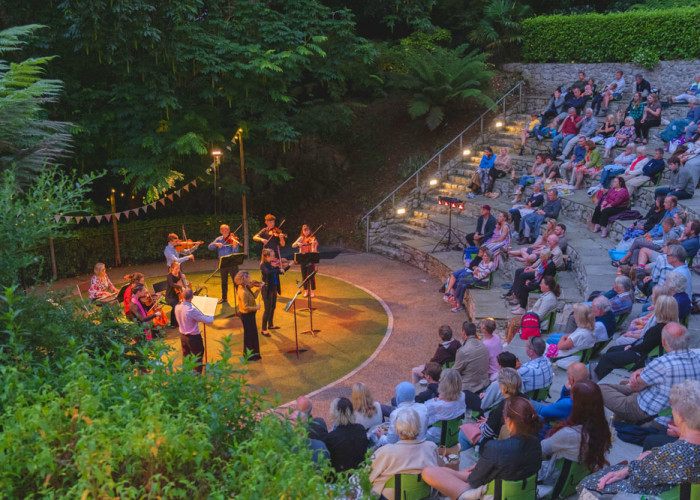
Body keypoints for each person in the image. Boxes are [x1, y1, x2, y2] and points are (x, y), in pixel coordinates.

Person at [578, 380, 700, 498]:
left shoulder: (672, 454)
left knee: (588, 484)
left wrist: (640, 459)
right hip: (681, 481)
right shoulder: (680, 451)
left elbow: (639, 477)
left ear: (679, 415)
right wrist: (681, 433)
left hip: (659, 489)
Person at [422, 396, 542, 500]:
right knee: (460, 471)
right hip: (518, 494)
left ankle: (454, 475)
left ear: (509, 421)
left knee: (429, 472)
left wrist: (465, 472)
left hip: (492, 494)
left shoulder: (495, 448)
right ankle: (456, 473)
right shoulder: (536, 444)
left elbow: (474, 481)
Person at [600, 323, 700, 424]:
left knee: (599, 389)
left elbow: (636, 387)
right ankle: (620, 418)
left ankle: (621, 419)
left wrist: (637, 373)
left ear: (664, 342)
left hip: (646, 411)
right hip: (673, 408)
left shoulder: (662, 363)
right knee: (624, 385)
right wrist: (641, 370)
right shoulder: (697, 356)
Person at [539, 381, 611, 485]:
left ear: (578, 404)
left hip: (554, 477)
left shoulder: (569, 433)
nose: (570, 399)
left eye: (572, 397)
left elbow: (542, 449)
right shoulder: (602, 424)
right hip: (577, 475)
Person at [594, 295, 678, 380]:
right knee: (612, 350)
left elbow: (645, 346)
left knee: (606, 358)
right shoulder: (671, 325)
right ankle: (604, 372)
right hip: (642, 351)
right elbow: (645, 342)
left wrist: (631, 348)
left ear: (661, 310)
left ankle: (599, 380)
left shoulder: (659, 329)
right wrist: (631, 345)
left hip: (641, 358)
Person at [370, 408, 438, 500]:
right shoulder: (431, 447)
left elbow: (368, 475)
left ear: (398, 430)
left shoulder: (386, 451)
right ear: (418, 427)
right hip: (423, 496)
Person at [458, 368, 524, 451]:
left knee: (463, 431)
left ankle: (468, 458)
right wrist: (489, 421)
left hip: (498, 441)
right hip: (518, 437)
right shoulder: (524, 399)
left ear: (503, 388)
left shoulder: (502, 408)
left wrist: (485, 424)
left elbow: (486, 432)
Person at [505, 275, 560, 344]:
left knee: (514, 324)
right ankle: (509, 341)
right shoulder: (546, 295)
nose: (540, 285)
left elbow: (539, 316)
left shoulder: (549, 299)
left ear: (547, 286)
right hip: (532, 317)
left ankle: (510, 343)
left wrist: (526, 316)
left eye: (541, 283)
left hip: (537, 323)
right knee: (512, 320)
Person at [375, 382, 429, 447]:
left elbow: (390, 442)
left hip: (403, 449)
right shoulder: (423, 408)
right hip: (421, 444)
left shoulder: (396, 414)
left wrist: (381, 436)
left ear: (398, 396)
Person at [174, 288, 214, 375]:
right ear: (192, 297)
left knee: (186, 356)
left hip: (183, 337)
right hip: (194, 338)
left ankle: (186, 374)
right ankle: (197, 376)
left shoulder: (177, 307)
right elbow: (208, 320)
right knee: (198, 356)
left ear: (182, 296)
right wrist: (210, 312)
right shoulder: (191, 311)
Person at [323, 397, 368, 473]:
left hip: (342, 478)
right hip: (361, 473)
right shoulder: (361, 429)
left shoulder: (331, 438)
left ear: (334, 414)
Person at [546, 303, 597, 368]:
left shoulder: (581, 334)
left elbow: (560, 347)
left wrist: (563, 337)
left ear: (580, 317)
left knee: (542, 346)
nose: (574, 315)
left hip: (569, 356)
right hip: (577, 351)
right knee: (551, 338)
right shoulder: (590, 329)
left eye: (575, 313)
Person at [507, 248, 557, 315]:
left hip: (542, 286)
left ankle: (522, 308)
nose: (540, 257)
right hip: (539, 281)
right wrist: (532, 280)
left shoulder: (550, 267)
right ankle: (520, 303)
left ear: (546, 257)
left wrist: (531, 283)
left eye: (541, 256)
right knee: (523, 281)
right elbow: (539, 275)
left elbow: (543, 281)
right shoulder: (545, 262)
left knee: (525, 287)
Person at [424, 369, 467, 443]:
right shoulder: (463, 396)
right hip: (455, 431)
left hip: (438, 436)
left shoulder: (436, 405)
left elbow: (425, 420)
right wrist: (442, 397)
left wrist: (437, 399)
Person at [450, 248, 495, 313]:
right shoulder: (482, 261)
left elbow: (482, 276)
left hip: (482, 282)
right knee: (463, 284)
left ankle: (455, 298)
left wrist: (477, 272)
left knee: (462, 280)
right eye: (484, 255)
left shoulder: (491, 264)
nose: (483, 257)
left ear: (489, 257)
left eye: (485, 256)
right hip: (476, 277)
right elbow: (476, 270)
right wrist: (477, 271)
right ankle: (459, 305)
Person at [453, 321, 490, 395]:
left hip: (469, 388)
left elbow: (455, 372)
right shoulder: (482, 345)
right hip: (484, 383)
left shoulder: (463, 351)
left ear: (463, 332)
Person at [207, 224, 241, 304]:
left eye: (227, 230)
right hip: (222, 263)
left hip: (232, 263)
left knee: (236, 281)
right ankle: (224, 298)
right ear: (221, 231)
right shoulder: (218, 239)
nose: (226, 231)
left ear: (229, 230)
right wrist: (216, 244)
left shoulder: (233, 239)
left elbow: (236, 252)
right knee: (224, 281)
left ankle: (240, 296)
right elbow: (209, 247)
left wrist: (234, 246)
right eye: (223, 230)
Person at [234, 271, 262, 361]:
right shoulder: (242, 292)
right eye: (248, 278)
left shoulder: (245, 287)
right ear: (244, 279)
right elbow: (245, 307)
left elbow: (253, 297)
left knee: (253, 335)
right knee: (249, 336)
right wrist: (256, 307)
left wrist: (259, 289)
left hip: (250, 315)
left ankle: (254, 354)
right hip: (247, 316)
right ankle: (249, 356)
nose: (250, 280)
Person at [259, 248, 284, 337]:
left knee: (273, 307)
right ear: (267, 257)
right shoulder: (263, 265)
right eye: (273, 256)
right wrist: (277, 269)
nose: (274, 257)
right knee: (267, 309)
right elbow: (268, 272)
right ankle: (263, 329)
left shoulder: (272, 264)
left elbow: (280, 272)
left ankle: (270, 324)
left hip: (274, 288)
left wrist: (287, 266)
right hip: (267, 289)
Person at [291, 224, 319, 297]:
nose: (306, 232)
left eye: (307, 230)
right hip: (303, 259)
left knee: (311, 276)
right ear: (303, 231)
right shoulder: (301, 238)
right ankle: (306, 291)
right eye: (304, 230)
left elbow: (314, 248)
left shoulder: (313, 238)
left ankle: (312, 292)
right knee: (304, 276)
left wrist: (313, 244)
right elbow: (293, 245)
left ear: (310, 231)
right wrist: (297, 243)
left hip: (310, 259)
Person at [165, 261, 187, 329]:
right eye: (176, 269)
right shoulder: (169, 276)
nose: (178, 270)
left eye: (179, 268)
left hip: (178, 295)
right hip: (170, 297)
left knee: (183, 305)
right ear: (172, 269)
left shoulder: (179, 274)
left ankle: (181, 321)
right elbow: (172, 284)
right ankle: (173, 324)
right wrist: (180, 287)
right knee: (175, 307)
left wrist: (184, 277)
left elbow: (182, 282)